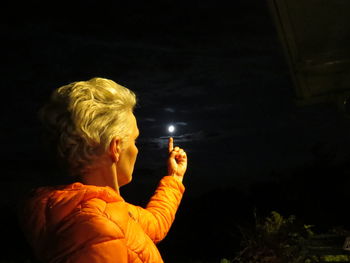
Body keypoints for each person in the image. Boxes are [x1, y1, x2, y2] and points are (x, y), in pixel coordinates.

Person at [18, 77, 187, 263]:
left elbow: (155, 223)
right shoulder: (93, 230)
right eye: (134, 140)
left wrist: (174, 177)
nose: (136, 149)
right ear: (115, 147)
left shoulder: (110, 210)